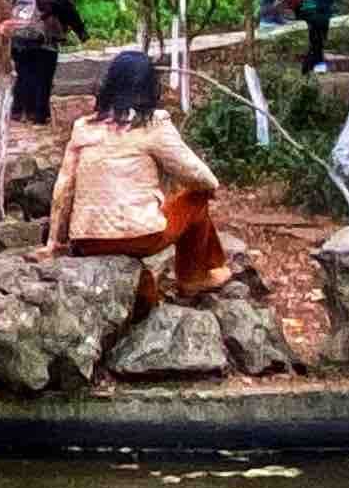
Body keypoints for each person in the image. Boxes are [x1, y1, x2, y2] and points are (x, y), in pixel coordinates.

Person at [47, 49, 229, 313]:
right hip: (139, 237)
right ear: (149, 85)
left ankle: (160, 285)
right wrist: (211, 188)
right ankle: (193, 278)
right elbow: (198, 174)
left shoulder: (83, 126)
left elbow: (63, 189)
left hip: (86, 241)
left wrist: (56, 242)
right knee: (197, 198)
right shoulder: (154, 124)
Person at [6, 0, 86, 125]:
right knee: (43, 77)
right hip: (44, 40)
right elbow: (68, 12)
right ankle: (39, 114)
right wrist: (82, 33)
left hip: (17, 37)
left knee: (23, 73)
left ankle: (18, 110)